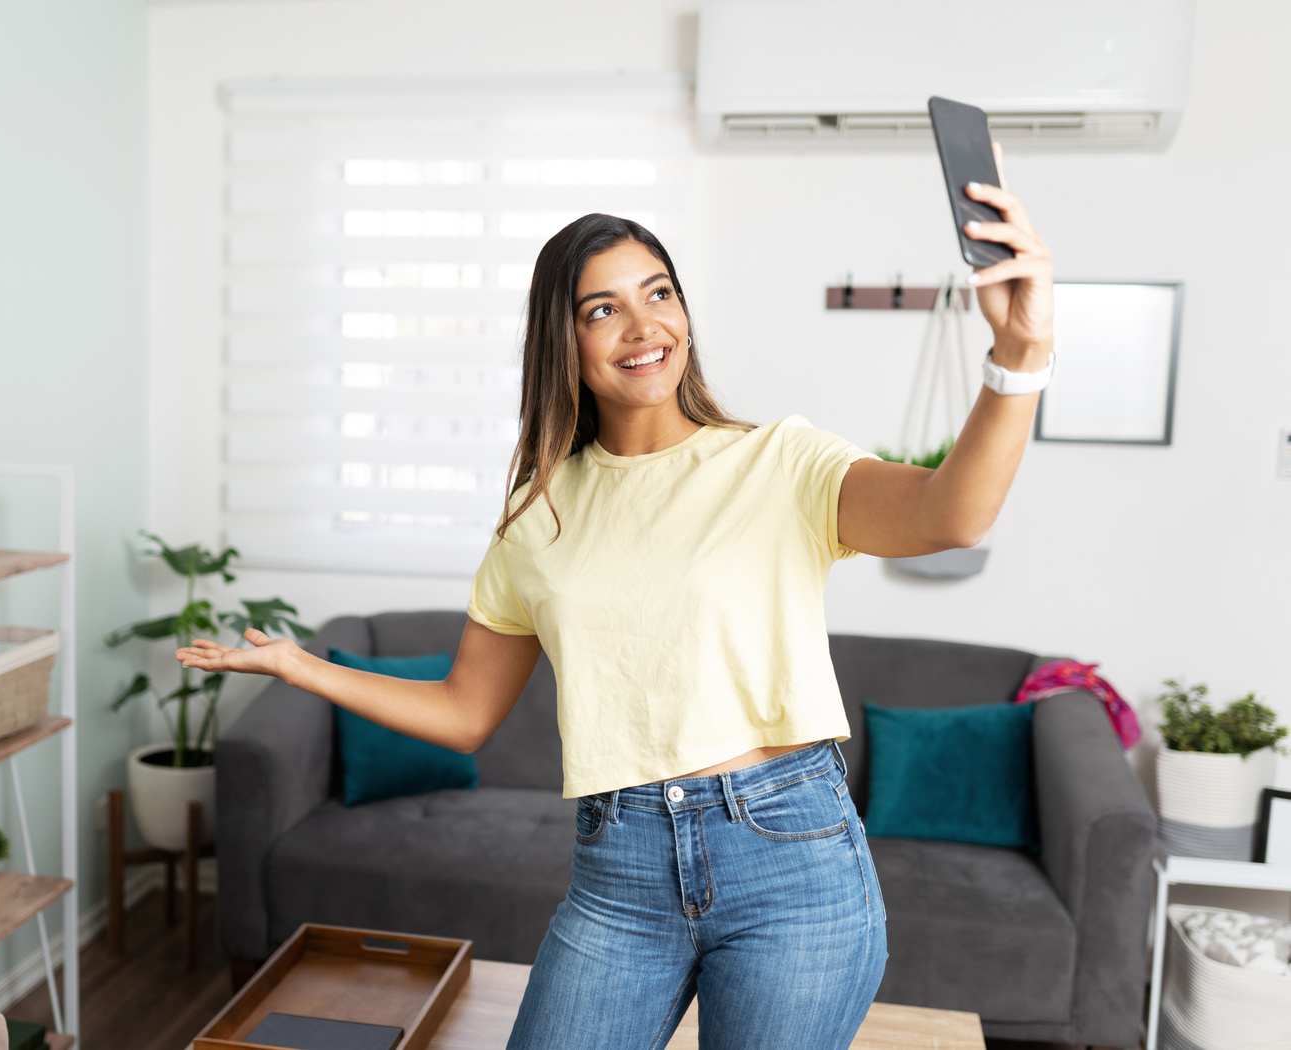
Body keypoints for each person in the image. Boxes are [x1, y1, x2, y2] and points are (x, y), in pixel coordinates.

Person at [178, 167, 1053, 1050]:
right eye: (602, 309)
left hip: (789, 855)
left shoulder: (780, 464)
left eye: (659, 293)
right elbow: (464, 712)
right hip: (619, 868)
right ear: (562, 340)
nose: (644, 327)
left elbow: (954, 513)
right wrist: (302, 666)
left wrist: (1018, 356)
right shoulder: (538, 515)